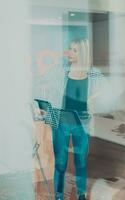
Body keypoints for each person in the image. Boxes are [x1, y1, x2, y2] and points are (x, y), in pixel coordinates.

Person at [41, 38, 105, 200]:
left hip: (82, 124)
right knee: (61, 163)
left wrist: (93, 100)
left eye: (74, 50)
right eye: (70, 49)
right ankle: (59, 196)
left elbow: (105, 90)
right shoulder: (60, 71)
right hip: (61, 123)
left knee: (81, 162)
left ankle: (81, 195)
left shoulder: (93, 73)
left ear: (83, 52)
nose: (69, 52)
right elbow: (43, 84)